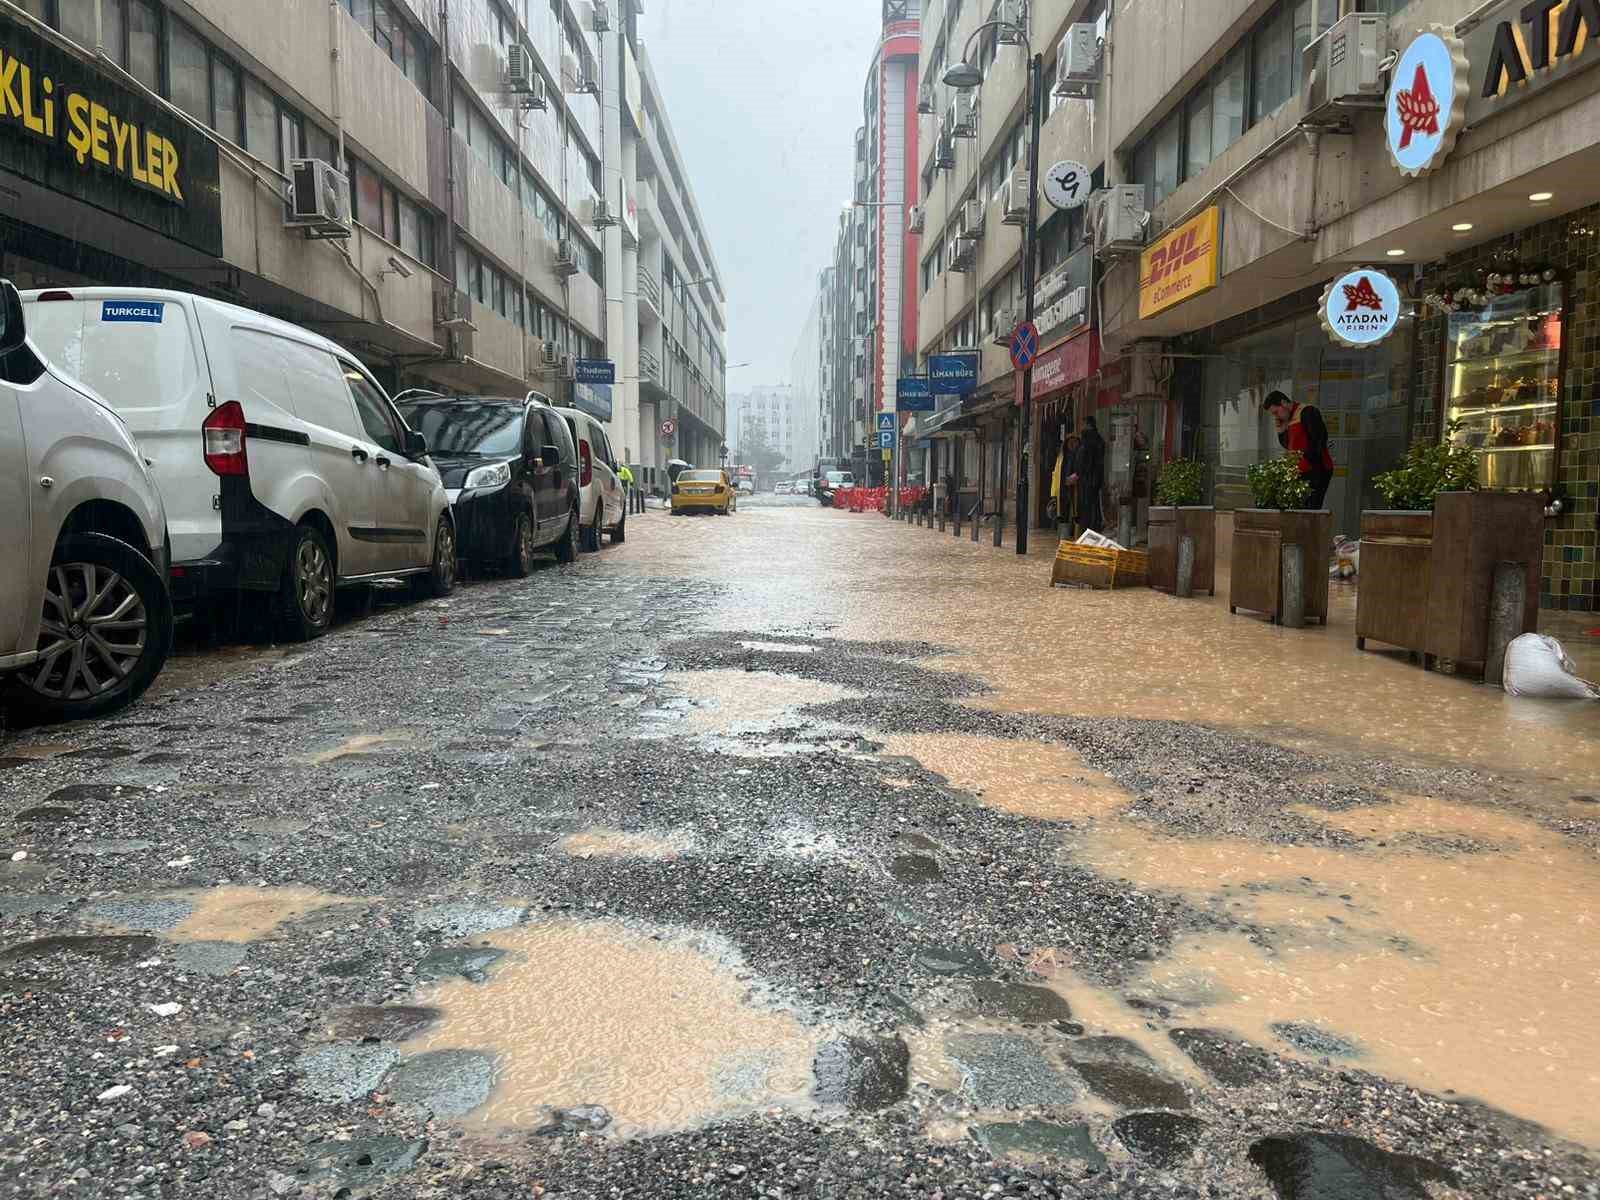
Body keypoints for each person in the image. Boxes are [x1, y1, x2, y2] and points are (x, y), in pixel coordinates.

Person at [1264, 390, 1334, 510]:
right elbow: (1290, 445)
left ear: (1283, 403)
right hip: (1301, 471)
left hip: (1316, 469)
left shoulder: (1307, 411)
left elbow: (1319, 440)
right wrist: (1281, 432)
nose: (1276, 417)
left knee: (1310, 508)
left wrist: (1306, 462)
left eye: (1276, 412)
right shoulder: (1289, 419)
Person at [1066, 416, 1105, 533]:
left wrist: (1077, 473)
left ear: (1088, 425)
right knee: (1094, 507)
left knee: (1086, 510)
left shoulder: (1087, 441)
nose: (1081, 426)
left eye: (1083, 424)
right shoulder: (1098, 440)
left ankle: (1087, 534)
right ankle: (1093, 532)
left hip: (1087, 480)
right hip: (1094, 480)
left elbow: (1085, 461)